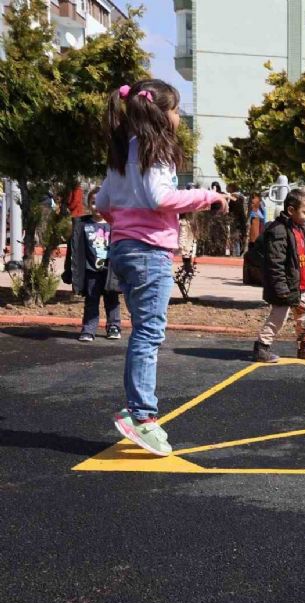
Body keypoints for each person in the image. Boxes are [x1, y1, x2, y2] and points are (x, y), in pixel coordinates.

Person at [96, 79, 230, 457]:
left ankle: (136, 409)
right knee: (149, 334)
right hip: (149, 253)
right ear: (159, 113)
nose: (178, 116)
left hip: (123, 247)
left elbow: (103, 202)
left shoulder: (122, 152)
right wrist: (209, 197)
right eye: (175, 109)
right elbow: (161, 196)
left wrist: (127, 217)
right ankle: (142, 416)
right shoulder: (158, 151)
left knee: (142, 332)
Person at [252, 188, 305, 364]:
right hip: (286, 286)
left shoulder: (304, 229)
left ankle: (304, 347)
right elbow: (275, 263)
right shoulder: (279, 231)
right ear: (291, 210)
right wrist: (281, 287)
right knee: (278, 317)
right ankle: (262, 347)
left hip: (302, 284)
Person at [62, 204, 121, 341]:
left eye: (101, 202)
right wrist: (69, 270)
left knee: (112, 299)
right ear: (89, 204)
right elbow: (74, 250)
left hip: (110, 270)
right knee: (91, 300)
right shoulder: (82, 225)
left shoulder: (115, 224)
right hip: (91, 270)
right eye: (94, 202)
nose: (97, 206)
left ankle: (113, 326)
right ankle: (89, 328)